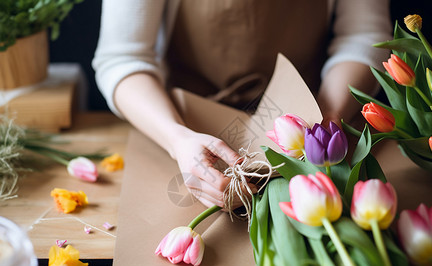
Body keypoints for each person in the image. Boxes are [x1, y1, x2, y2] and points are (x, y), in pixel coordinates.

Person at [93, 0, 392, 209]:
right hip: (182, 128)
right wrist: (177, 138)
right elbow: (123, 59)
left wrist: (328, 114)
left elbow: (363, 36)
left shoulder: (324, 117)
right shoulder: (179, 136)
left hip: (314, 123)